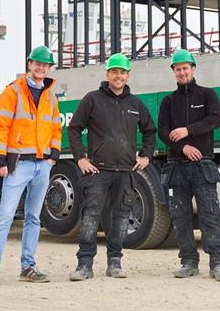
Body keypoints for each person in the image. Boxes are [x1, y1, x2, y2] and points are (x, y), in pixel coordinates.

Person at [0, 46, 62, 287]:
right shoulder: (12, 92)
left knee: (34, 218)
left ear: (49, 68)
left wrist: (53, 155)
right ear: (29, 64)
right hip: (18, 165)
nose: (41, 68)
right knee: (4, 216)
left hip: (42, 165)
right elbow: (1, 127)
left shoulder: (50, 96)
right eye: (37, 63)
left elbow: (56, 127)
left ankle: (28, 266)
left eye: (45, 65)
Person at [67, 53, 156, 281]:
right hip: (98, 171)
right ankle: (84, 264)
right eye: (114, 71)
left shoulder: (135, 104)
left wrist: (146, 156)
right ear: (107, 74)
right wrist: (80, 158)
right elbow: (74, 128)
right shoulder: (92, 99)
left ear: (128, 75)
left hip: (126, 172)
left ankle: (114, 261)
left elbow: (150, 131)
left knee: (121, 217)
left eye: (122, 72)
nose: (118, 76)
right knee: (90, 216)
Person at [157, 49, 220, 282]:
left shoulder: (207, 96)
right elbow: (163, 132)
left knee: (210, 216)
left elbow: (215, 119)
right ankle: (188, 261)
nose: (182, 72)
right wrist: (183, 148)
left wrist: (188, 131)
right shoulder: (168, 102)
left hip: (203, 165)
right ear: (174, 73)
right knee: (180, 217)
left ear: (193, 69)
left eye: (185, 68)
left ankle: (217, 263)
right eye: (178, 69)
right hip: (176, 166)